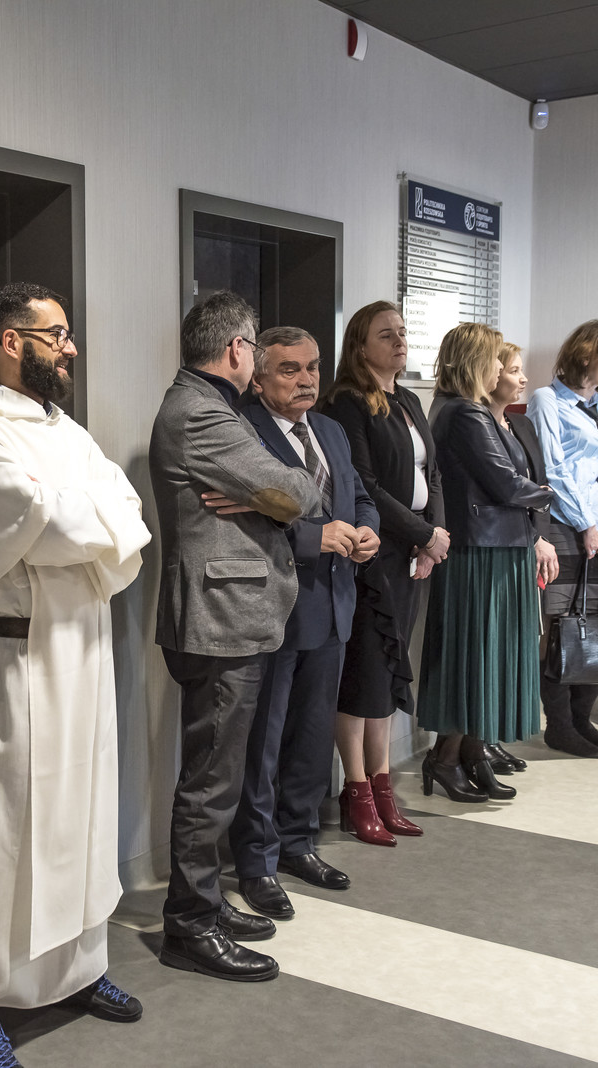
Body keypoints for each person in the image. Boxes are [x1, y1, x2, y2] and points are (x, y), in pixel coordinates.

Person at [0, 284, 151, 1068]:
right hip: (21, 658)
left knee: (83, 819)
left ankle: (75, 972)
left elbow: (127, 513)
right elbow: (52, 524)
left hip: (83, 646)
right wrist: (80, 515)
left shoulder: (68, 432)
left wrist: (78, 513)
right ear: (10, 342)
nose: (71, 348)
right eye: (57, 335)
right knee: (8, 831)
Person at [150, 291, 324, 982]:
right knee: (210, 784)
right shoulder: (201, 414)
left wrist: (264, 498)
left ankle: (206, 903)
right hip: (218, 620)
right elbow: (300, 492)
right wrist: (272, 496)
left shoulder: (210, 409)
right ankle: (190, 925)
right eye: (254, 348)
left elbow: (285, 494)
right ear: (237, 349)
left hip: (231, 616)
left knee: (217, 777)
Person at [229, 326, 381, 922]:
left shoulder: (331, 430)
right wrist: (316, 537)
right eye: (289, 370)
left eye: (313, 367)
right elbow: (244, 521)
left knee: (313, 739)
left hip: (333, 605)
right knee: (263, 744)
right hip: (275, 609)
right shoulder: (243, 432)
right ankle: (257, 862)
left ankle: (298, 842)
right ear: (259, 377)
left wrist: (367, 529)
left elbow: (359, 496)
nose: (306, 379)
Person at [319, 302, 447, 817]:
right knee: (365, 673)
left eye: (402, 333)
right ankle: (357, 791)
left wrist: (433, 535)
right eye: (386, 335)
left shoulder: (409, 399)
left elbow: (432, 474)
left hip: (413, 551)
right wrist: (422, 533)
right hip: (373, 554)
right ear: (360, 345)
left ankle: (382, 785)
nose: (399, 342)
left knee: (391, 672)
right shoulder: (346, 403)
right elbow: (365, 485)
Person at [419, 325, 553, 801]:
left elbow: (512, 481)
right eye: (496, 359)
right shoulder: (465, 413)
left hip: (498, 547)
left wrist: (532, 494)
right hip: (482, 552)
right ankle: (446, 758)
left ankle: (472, 752)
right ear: (476, 361)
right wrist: (548, 494)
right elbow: (507, 484)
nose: (501, 368)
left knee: (487, 659)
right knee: (476, 658)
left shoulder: (469, 410)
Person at [527, 320, 598, 758]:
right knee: (564, 629)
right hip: (561, 526)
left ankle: (582, 721)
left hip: (597, 528)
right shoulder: (546, 400)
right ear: (585, 354)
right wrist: (587, 524)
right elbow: (551, 470)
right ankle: (559, 726)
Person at [488, 342, 556, 774]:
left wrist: (540, 537)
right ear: (491, 374)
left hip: (527, 541)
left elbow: (539, 484)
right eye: (514, 370)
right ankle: (478, 741)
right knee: (492, 650)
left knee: (516, 647)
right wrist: (533, 536)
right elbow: (510, 490)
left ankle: (492, 738)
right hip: (500, 545)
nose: (524, 378)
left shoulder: (520, 423)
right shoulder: (475, 420)